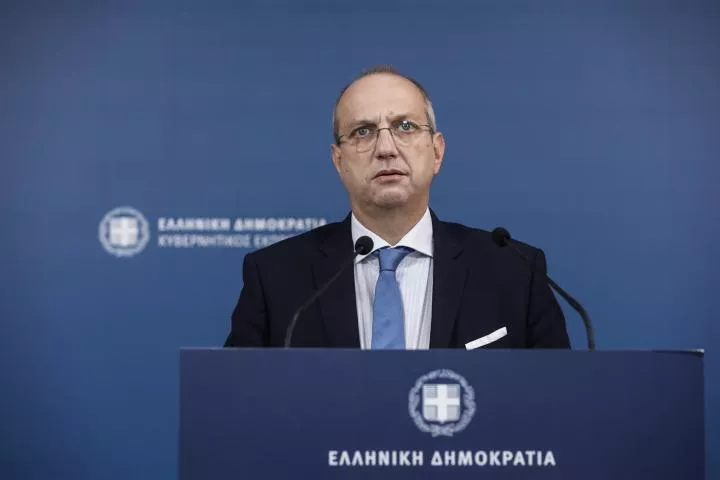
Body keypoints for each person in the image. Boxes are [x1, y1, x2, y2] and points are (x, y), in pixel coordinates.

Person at [224, 66, 570, 349]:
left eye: (405, 127)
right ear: (339, 161)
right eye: (363, 131)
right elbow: (238, 400)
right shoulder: (276, 278)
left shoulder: (514, 272)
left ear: (436, 152)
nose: (386, 148)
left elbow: (555, 398)